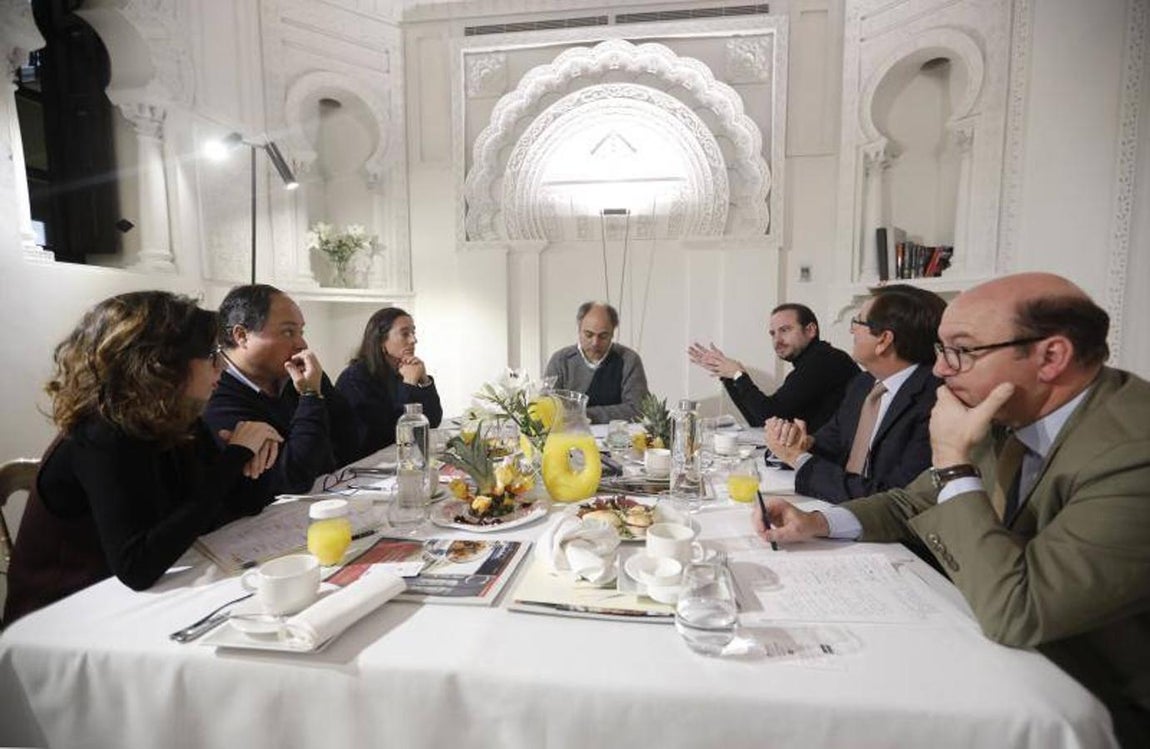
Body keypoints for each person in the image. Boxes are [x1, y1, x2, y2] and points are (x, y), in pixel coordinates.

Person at [754, 273, 1150, 746]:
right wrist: (817, 521)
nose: (939, 370)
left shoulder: (1132, 452)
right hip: (998, 647)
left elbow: (1017, 611)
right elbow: (912, 499)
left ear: (1051, 357)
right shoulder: (1015, 404)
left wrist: (953, 460)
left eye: (961, 351)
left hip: (1094, 702)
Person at [4, 292, 282, 624]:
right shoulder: (101, 436)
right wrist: (232, 459)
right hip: (63, 616)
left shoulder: (178, 418)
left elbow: (225, 511)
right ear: (162, 364)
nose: (221, 366)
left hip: (140, 598)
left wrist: (250, 460)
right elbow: (137, 566)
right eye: (211, 355)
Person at [765, 285, 946, 503]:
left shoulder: (936, 401)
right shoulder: (863, 383)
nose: (852, 331)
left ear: (884, 340)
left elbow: (894, 498)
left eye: (858, 322)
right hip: (838, 505)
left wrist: (799, 458)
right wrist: (799, 443)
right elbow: (830, 444)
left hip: (885, 527)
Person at [203, 284, 356, 495]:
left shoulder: (297, 375)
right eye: (288, 332)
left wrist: (317, 391)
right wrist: (310, 396)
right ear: (242, 336)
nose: (302, 344)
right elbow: (293, 477)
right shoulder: (216, 398)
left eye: (301, 332)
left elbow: (350, 436)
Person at [688, 303, 858, 431]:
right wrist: (729, 375)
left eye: (785, 330)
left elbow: (768, 416)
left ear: (810, 330)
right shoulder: (813, 361)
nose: (777, 340)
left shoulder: (823, 361)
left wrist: (739, 375)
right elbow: (760, 421)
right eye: (773, 333)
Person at [336, 307, 443, 461]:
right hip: (361, 466)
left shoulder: (403, 370)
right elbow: (388, 434)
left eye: (413, 333)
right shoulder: (355, 379)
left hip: (394, 460)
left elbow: (432, 421)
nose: (413, 340)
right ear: (381, 341)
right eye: (405, 334)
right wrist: (409, 384)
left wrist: (424, 380)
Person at [544, 301, 649, 423]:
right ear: (579, 329)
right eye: (589, 335)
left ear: (613, 333)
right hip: (570, 437)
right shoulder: (561, 361)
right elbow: (548, 407)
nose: (595, 343)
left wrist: (584, 414)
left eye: (603, 336)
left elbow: (637, 410)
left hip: (618, 438)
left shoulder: (629, 360)